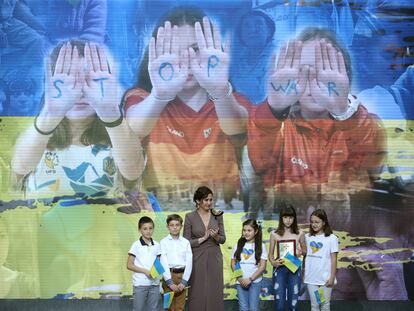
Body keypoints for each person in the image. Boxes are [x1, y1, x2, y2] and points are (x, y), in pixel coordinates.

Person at [247, 27, 386, 225]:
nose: (314, 80)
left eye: (325, 70)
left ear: (344, 75)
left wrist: (343, 110)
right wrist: (274, 107)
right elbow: (259, 159)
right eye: (304, 71)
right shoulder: (278, 128)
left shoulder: (365, 125)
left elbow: (373, 163)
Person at [123, 6, 248, 210]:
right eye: (174, 51)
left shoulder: (229, 100)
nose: (187, 60)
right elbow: (133, 128)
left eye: (196, 49)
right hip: (163, 221)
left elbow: (238, 127)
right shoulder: (142, 98)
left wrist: (218, 90)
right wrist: (160, 95)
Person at [11, 40, 143, 198]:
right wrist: (50, 113)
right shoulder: (31, 136)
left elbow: (132, 174)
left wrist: (110, 112)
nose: (79, 91)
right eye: (69, 79)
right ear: (50, 84)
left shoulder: (121, 137)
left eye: (90, 79)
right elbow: (17, 173)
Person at [183, 186, 226, 311]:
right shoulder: (190, 217)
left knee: (214, 289)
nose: (209, 203)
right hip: (197, 257)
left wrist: (215, 236)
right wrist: (202, 238)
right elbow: (185, 243)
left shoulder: (217, 215)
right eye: (206, 200)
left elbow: (223, 239)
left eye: (211, 200)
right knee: (197, 289)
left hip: (214, 256)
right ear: (198, 201)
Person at [268, 203, 305, 311]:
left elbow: (305, 251)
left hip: (294, 267)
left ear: (294, 218)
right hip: (279, 268)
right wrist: (273, 262)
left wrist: (300, 252)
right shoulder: (274, 234)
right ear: (281, 218)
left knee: (293, 302)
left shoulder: (300, 233)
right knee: (279, 302)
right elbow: (270, 254)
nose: (288, 220)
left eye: (290, 217)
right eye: (285, 217)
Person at [303, 209, 339, 311]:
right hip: (311, 278)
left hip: (325, 279)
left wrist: (332, 277)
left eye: (317, 222)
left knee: (324, 304)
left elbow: (334, 259)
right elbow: (302, 253)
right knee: (315, 305)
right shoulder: (307, 237)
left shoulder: (332, 238)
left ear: (324, 222)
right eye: (312, 222)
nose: (314, 224)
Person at [231, 218, 267, 311]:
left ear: (256, 231)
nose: (246, 233)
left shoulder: (261, 246)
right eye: (244, 230)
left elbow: (262, 267)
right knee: (243, 308)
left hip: (255, 282)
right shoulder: (238, 245)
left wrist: (250, 279)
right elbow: (233, 263)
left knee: (253, 308)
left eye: (249, 230)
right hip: (240, 282)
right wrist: (240, 279)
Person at [127, 216, 161, 311]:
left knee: (153, 309)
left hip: (154, 284)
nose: (148, 231)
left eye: (150, 228)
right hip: (140, 284)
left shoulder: (157, 245)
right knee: (138, 309)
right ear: (139, 230)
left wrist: (154, 273)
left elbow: (158, 262)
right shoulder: (136, 245)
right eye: (145, 229)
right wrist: (145, 271)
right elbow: (129, 265)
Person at [160, 214, 193, 311]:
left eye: (177, 225)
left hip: (182, 276)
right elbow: (163, 262)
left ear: (181, 226)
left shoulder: (186, 242)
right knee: (168, 307)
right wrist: (169, 282)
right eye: (172, 225)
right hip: (168, 276)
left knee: (180, 307)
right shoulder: (163, 242)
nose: (174, 227)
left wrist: (184, 281)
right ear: (167, 227)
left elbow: (189, 262)